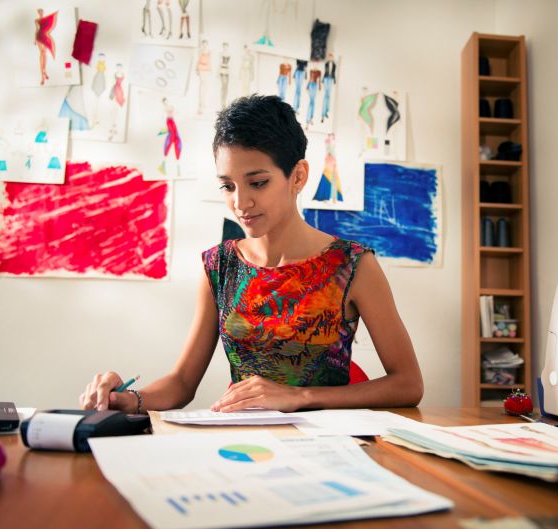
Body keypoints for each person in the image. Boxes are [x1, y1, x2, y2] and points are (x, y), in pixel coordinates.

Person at [79, 95, 423, 414]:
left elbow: (408, 384)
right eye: (228, 186)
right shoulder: (219, 266)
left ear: (298, 176)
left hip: (329, 446)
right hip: (243, 440)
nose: (240, 203)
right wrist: (125, 399)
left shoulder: (353, 266)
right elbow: (182, 384)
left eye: (257, 183)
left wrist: (300, 396)